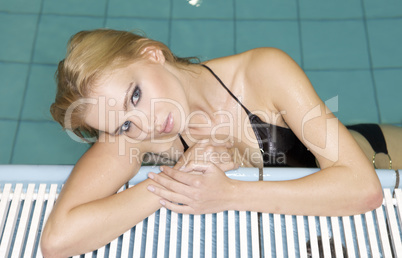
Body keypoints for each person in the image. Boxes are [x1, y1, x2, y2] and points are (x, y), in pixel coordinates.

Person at [40, 28, 402, 257]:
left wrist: (228, 193)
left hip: (382, 156)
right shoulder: (135, 135)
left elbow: (362, 188)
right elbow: (59, 240)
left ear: (151, 54)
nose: (146, 123)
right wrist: (180, 178)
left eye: (135, 94)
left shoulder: (262, 72)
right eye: (122, 126)